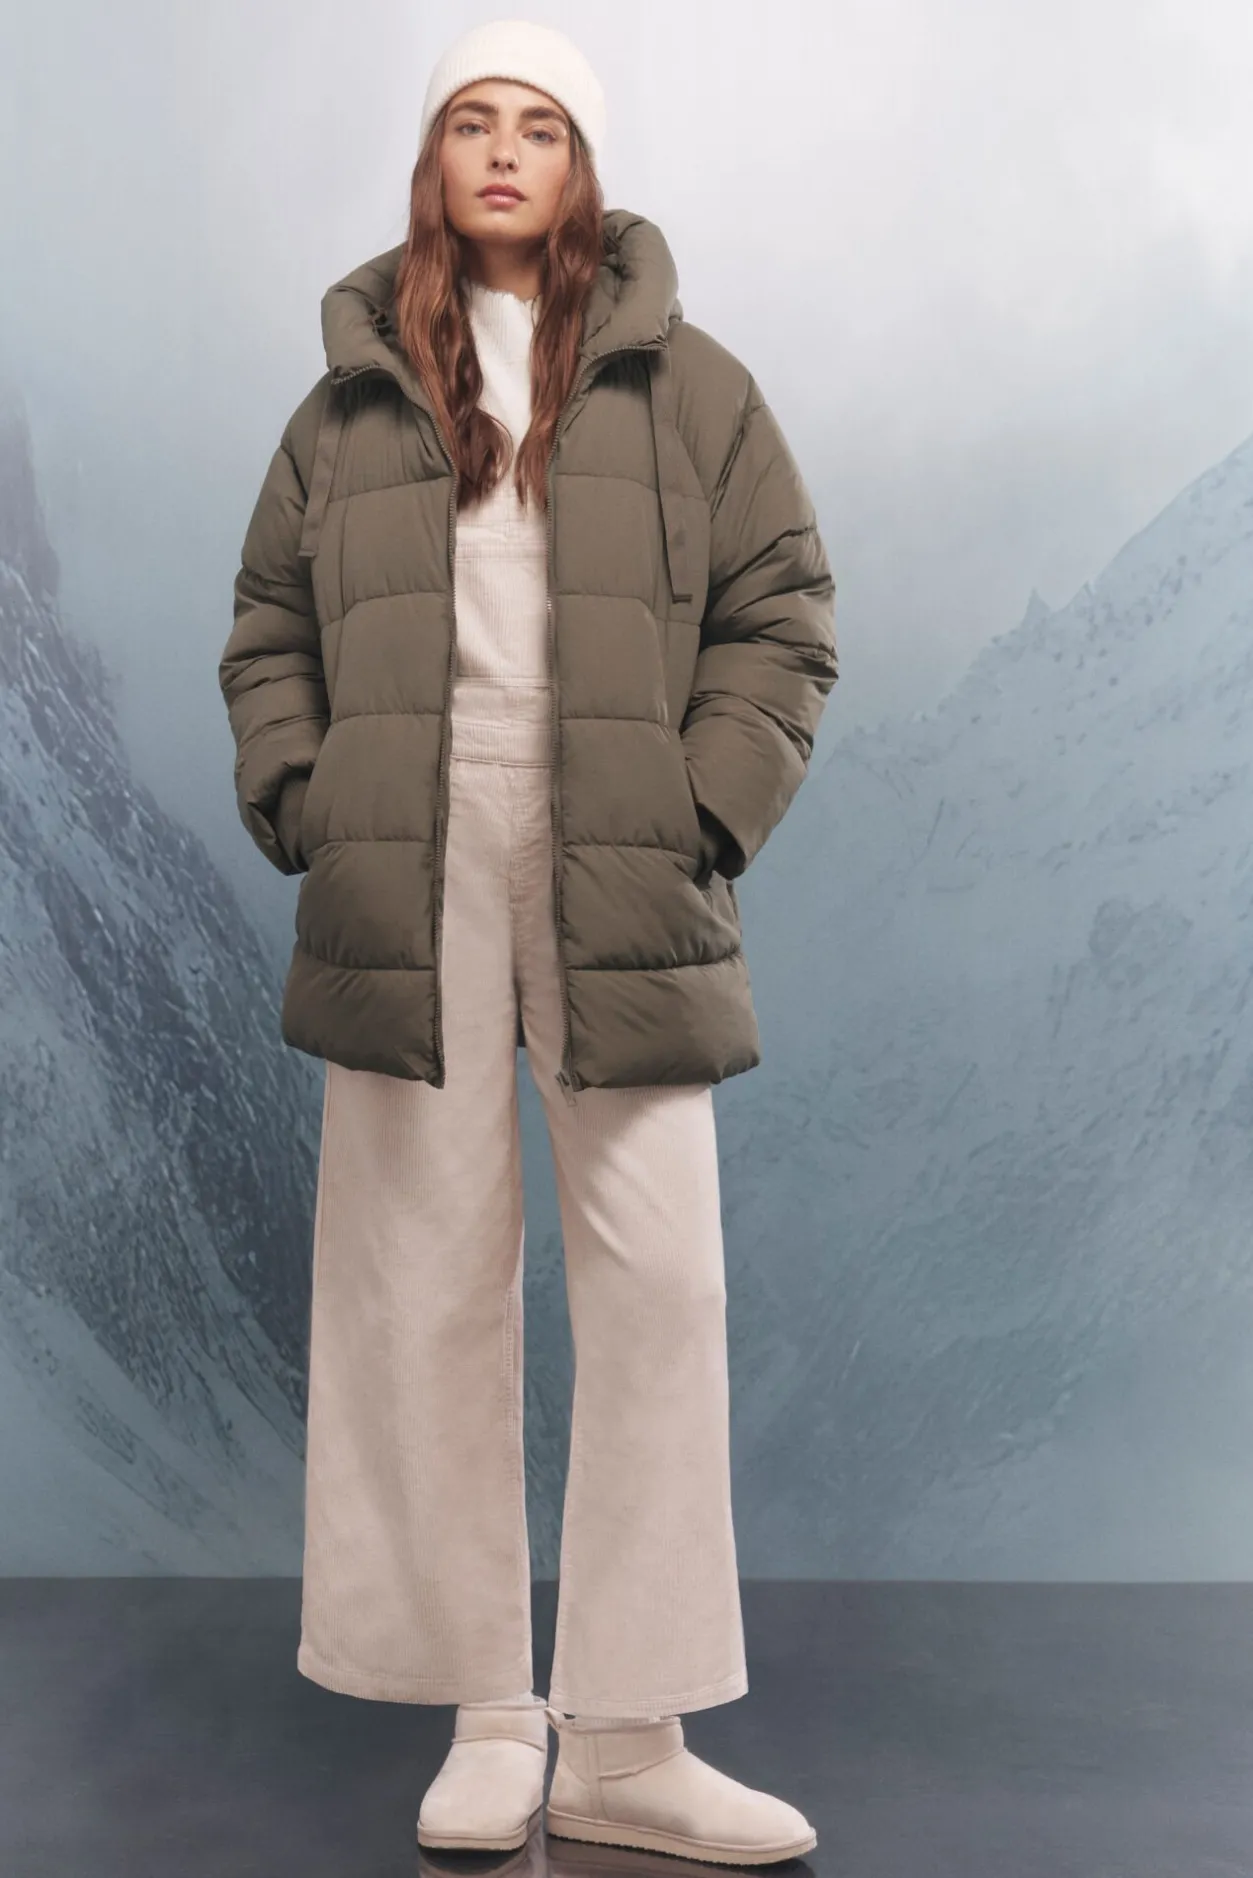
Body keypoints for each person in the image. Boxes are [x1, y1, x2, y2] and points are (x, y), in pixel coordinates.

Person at [218, 16, 837, 1863]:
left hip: (621, 848)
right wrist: (311, 796)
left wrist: (703, 808)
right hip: (408, 852)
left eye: (541, 126)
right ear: (434, 160)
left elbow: (785, 607)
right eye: (471, 122)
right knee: (420, 1269)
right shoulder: (348, 402)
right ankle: (491, 1710)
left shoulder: (694, 386)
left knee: (662, 1279)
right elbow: (268, 626)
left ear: (582, 164)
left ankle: (628, 1736)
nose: (503, 150)